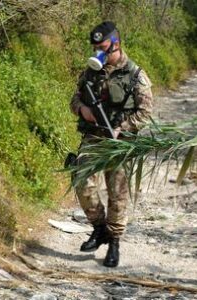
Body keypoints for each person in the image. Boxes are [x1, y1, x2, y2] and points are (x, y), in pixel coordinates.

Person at [69, 21, 153, 267]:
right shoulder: (91, 70)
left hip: (119, 142)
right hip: (94, 137)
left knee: (117, 194)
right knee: (82, 180)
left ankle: (114, 242)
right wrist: (82, 109)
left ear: (115, 43)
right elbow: (75, 98)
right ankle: (99, 227)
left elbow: (145, 113)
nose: (99, 52)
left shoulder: (135, 74)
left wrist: (122, 128)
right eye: (96, 47)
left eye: (103, 47)